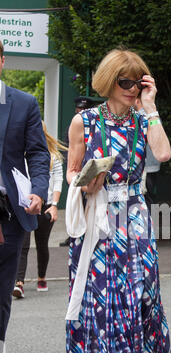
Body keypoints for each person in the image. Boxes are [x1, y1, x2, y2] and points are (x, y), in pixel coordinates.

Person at [66, 47, 171, 353]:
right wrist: (84, 182)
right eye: (124, 81)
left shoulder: (145, 120)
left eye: (137, 81)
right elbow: (72, 170)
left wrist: (151, 104)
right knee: (96, 303)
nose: (131, 88)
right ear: (109, 82)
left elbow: (162, 152)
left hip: (134, 218)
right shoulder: (84, 121)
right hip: (96, 218)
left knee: (135, 300)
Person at [0, 40, 50, 353]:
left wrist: (40, 191)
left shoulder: (23, 103)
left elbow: (38, 154)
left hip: (7, 216)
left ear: (1, 60)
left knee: (1, 295)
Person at [12, 121, 66, 298]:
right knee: (24, 244)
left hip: (46, 204)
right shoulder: (20, 153)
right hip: (25, 205)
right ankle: (19, 282)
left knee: (42, 244)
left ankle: (42, 277)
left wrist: (55, 205)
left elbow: (58, 181)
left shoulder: (53, 156)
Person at [59, 96, 95, 247]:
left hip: (89, 173)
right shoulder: (75, 124)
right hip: (75, 172)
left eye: (84, 109)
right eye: (79, 109)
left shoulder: (93, 125)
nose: (81, 111)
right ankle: (73, 233)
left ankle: (85, 232)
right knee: (75, 203)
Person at [134, 97, 161, 209]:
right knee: (148, 196)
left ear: (137, 101)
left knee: (144, 198)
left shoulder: (139, 117)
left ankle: (148, 224)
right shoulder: (153, 116)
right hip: (153, 164)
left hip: (144, 166)